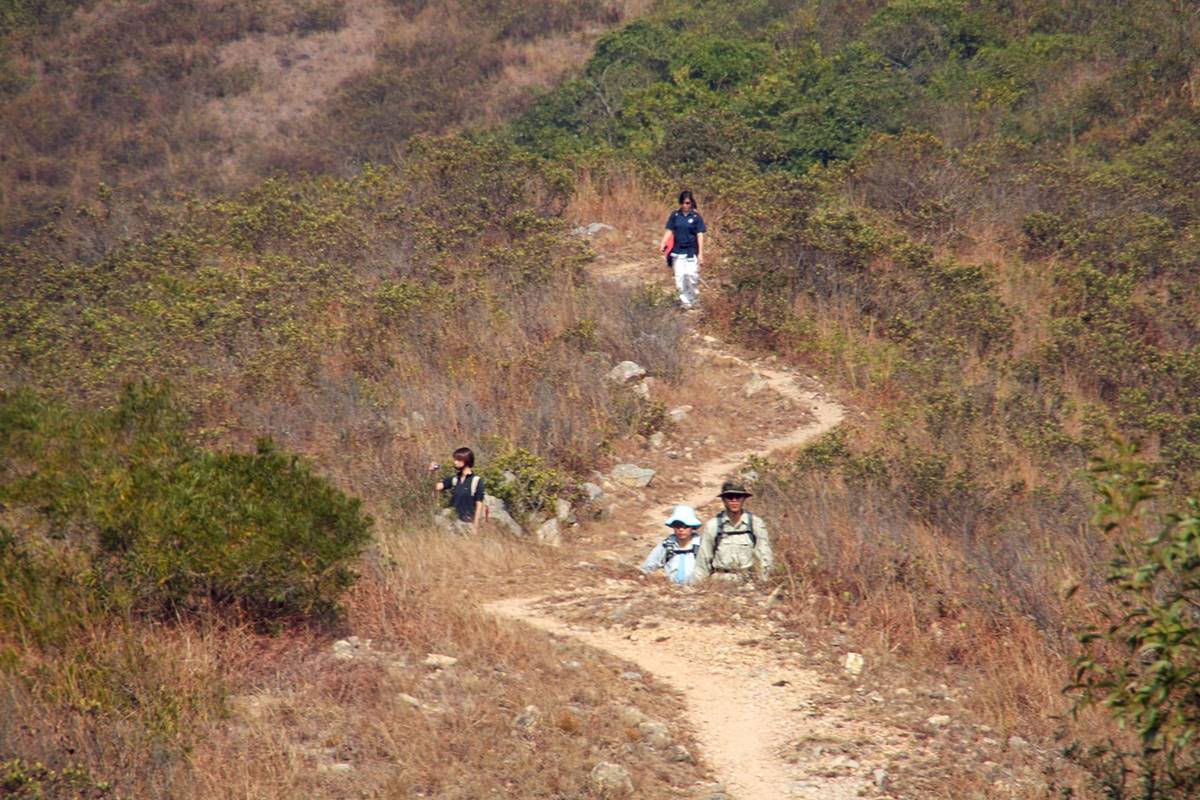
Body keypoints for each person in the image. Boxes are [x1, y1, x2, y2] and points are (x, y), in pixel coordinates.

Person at [694, 481, 773, 581]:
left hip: (748, 581)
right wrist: (699, 584)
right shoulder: (713, 526)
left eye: (738, 497)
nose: (734, 500)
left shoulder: (755, 524)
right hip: (720, 581)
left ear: (744, 499)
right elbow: (703, 559)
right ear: (723, 500)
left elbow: (765, 555)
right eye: (730, 497)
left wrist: (763, 581)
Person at [658, 189, 706, 310]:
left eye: (688, 203)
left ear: (691, 203)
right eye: (683, 203)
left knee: (691, 275)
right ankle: (686, 302)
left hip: (691, 251)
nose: (685, 205)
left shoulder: (696, 217)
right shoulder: (675, 215)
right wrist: (663, 242)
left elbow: (700, 235)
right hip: (678, 251)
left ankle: (694, 298)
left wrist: (701, 253)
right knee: (680, 277)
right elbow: (670, 230)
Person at [640, 505, 703, 584]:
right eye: (677, 525)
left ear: (692, 527)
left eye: (685, 526)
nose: (681, 529)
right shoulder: (666, 545)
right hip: (671, 589)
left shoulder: (701, 545)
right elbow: (647, 567)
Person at [430, 446, 485, 534]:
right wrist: (432, 473)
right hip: (452, 524)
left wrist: (475, 527)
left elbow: (479, 505)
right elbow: (436, 487)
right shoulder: (455, 479)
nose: (455, 462)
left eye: (458, 460)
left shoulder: (476, 481)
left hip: (467, 524)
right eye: (455, 459)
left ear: (466, 460)